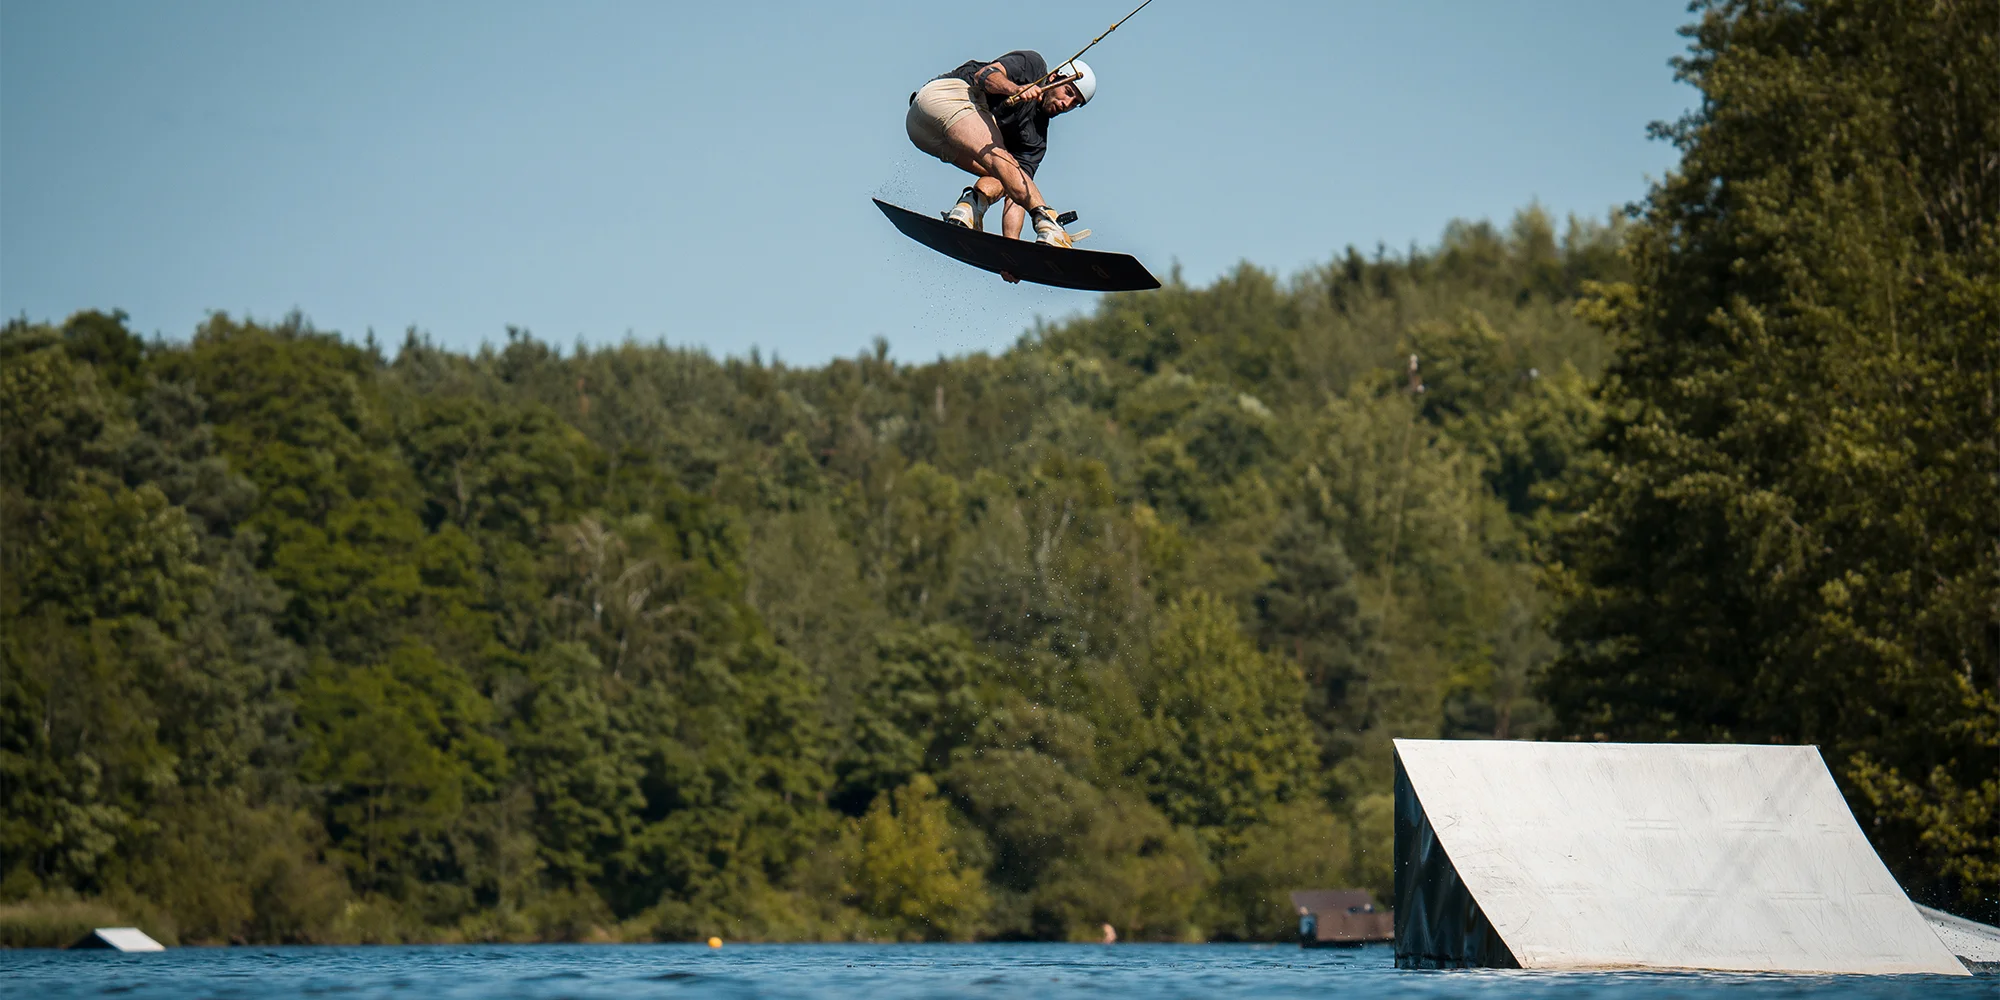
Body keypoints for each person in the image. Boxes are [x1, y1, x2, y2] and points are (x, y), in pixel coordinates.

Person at [905, 50, 1094, 252]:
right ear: (1055, 77)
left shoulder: (1036, 140)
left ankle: (970, 208)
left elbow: (1018, 192)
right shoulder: (1033, 65)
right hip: (941, 98)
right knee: (1003, 162)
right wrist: (1015, 89)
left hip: (925, 136)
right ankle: (1047, 221)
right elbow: (985, 75)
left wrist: (1010, 250)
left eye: (1075, 104)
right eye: (1068, 93)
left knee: (1010, 176)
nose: (1067, 104)